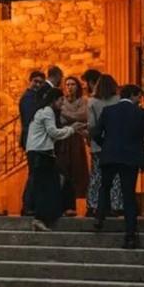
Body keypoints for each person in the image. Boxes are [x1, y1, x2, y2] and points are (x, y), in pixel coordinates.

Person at [92, 84, 144, 249]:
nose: (139, 100)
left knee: (105, 186)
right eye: (138, 96)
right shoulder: (140, 113)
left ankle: (99, 217)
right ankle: (130, 235)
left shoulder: (108, 111)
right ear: (133, 95)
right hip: (130, 158)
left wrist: (106, 145)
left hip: (110, 155)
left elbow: (96, 133)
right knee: (128, 195)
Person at [26, 85, 84, 231]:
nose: (62, 103)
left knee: (52, 183)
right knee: (47, 186)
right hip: (41, 153)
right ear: (53, 100)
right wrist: (72, 129)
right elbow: (54, 133)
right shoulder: (47, 112)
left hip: (41, 153)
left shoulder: (44, 112)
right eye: (60, 100)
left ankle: (48, 215)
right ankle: (40, 217)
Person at [86, 72, 124, 218]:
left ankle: (93, 205)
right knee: (116, 176)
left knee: (96, 175)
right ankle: (115, 205)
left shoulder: (92, 102)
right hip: (116, 143)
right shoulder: (119, 100)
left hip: (98, 144)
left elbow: (92, 124)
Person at [54, 75, 90, 213]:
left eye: (73, 84)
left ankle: (73, 204)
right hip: (63, 138)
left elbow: (83, 115)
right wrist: (72, 119)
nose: (69, 87)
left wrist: (68, 116)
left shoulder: (83, 101)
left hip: (77, 138)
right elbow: (61, 119)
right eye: (67, 84)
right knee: (64, 169)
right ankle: (64, 204)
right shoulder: (61, 102)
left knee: (77, 169)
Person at [18, 70, 46, 215]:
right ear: (30, 81)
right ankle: (28, 205)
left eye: (40, 82)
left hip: (34, 140)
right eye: (35, 81)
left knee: (36, 173)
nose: (37, 85)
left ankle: (33, 204)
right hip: (31, 140)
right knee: (34, 173)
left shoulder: (35, 97)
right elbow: (31, 119)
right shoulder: (28, 98)